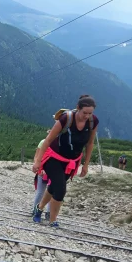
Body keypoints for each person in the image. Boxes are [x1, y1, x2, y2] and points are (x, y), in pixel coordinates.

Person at [32, 95, 99, 228]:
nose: (87, 116)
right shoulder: (66, 119)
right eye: (84, 112)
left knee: (53, 187)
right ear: (78, 108)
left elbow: (90, 143)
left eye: (90, 113)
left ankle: (38, 209)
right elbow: (48, 140)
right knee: (61, 189)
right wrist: (38, 161)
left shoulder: (93, 122)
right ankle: (53, 220)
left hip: (71, 161)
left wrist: (86, 164)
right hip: (53, 158)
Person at [32, 131, 51, 220]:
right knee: (49, 192)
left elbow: (36, 156)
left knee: (42, 191)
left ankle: (37, 210)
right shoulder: (44, 142)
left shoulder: (43, 142)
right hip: (45, 170)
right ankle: (47, 213)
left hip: (47, 170)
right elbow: (37, 157)